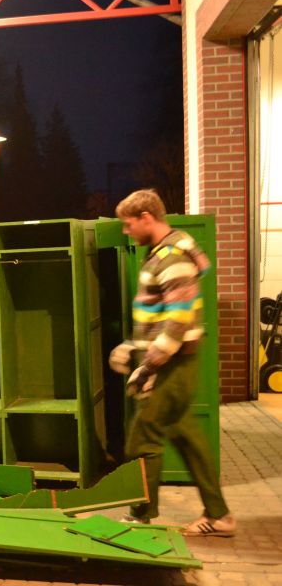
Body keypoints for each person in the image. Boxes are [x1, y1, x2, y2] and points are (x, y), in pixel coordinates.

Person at [109, 189, 235, 536]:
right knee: (187, 437)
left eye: (128, 223)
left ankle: (140, 513)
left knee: (142, 438)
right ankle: (219, 515)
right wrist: (131, 346)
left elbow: (177, 321)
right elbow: (159, 312)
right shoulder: (163, 253)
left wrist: (148, 365)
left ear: (147, 217)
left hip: (171, 365)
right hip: (171, 362)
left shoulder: (172, 257)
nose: (126, 231)